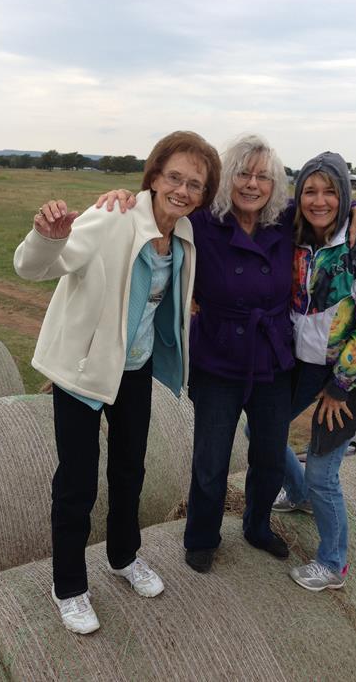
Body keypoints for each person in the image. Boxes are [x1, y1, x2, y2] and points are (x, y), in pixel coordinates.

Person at [96, 135, 356, 575]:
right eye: (243, 174)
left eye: (263, 177)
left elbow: (324, 200)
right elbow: (161, 203)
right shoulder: (203, 221)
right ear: (226, 179)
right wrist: (124, 196)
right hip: (217, 356)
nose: (252, 184)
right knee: (211, 460)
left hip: (272, 358)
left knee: (269, 455)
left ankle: (256, 525)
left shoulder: (284, 221)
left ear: (274, 185)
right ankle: (201, 536)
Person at [14, 131, 221, 634]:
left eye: (195, 183)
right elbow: (34, 267)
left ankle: (124, 557)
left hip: (135, 369)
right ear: (154, 175)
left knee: (130, 471)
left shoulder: (187, 234)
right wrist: (50, 234)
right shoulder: (111, 215)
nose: (183, 189)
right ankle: (70, 588)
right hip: (85, 372)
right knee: (77, 484)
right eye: (174, 177)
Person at [278, 151, 356, 592]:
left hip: (352, 375)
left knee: (323, 470)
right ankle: (299, 496)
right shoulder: (294, 236)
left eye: (331, 191)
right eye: (310, 190)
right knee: (263, 433)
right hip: (304, 365)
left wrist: (339, 387)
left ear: (345, 195)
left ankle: (332, 563)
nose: (319, 200)